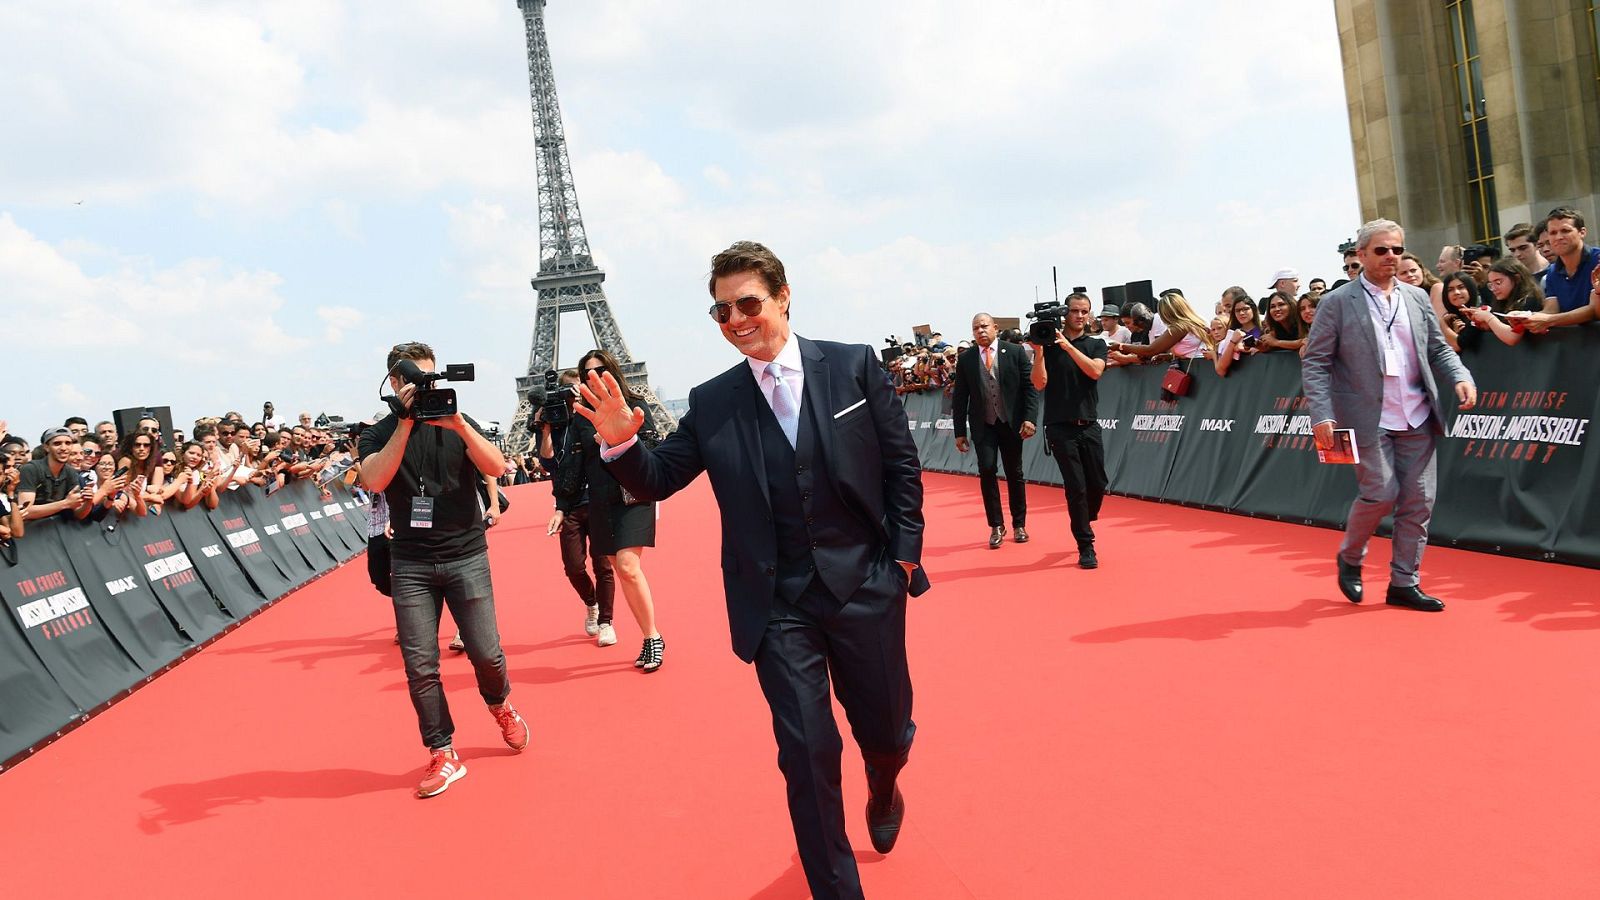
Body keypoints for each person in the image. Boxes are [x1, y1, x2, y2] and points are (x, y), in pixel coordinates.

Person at [577, 241, 925, 900]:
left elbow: (902, 465)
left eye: (747, 304)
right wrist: (622, 442)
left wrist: (903, 559)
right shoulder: (713, 402)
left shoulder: (852, 366)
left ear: (783, 297)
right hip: (777, 604)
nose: (735, 320)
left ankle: (884, 781)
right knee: (807, 754)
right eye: (721, 311)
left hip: (866, 585)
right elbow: (657, 478)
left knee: (886, 731)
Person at [358, 341, 528, 799]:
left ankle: (500, 705)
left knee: (486, 654)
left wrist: (457, 424)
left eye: (431, 378)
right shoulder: (378, 433)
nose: (425, 387)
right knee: (420, 666)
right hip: (410, 561)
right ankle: (442, 750)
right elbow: (374, 479)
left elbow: (497, 466)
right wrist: (405, 422)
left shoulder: (458, 421)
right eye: (415, 379)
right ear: (395, 382)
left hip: (466, 553)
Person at [1302, 219, 1477, 612]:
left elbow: (1438, 349)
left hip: (1417, 413)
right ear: (1361, 254)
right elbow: (1316, 362)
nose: (1391, 257)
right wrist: (1322, 414)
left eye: (1397, 250)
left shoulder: (1416, 297)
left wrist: (1460, 376)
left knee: (1419, 500)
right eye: (1381, 250)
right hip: (1366, 416)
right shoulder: (1337, 302)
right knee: (1381, 493)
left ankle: (1404, 583)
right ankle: (1351, 556)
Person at [565, 349, 663, 669]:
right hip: (600, 499)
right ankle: (648, 635)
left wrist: (619, 439)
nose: (594, 377)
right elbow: (574, 463)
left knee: (627, 566)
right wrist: (561, 505)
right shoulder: (582, 416)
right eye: (587, 374)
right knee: (620, 570)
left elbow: (654, 448)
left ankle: (653, 637)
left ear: (613, 371)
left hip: (633, 493)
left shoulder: (634, 404)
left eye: (601, 370)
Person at [1028, 292, 1109, 569]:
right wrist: (1040, 351)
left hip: (1089, 424)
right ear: (1065, 313)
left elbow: (1095, 371)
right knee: (1076, 488)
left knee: (1097, 483)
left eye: (1084, 311)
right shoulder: (1048, 347)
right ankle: (1086, 546)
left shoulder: (1096, 344)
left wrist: (1068, 347)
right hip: (1059, 427)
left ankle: (1086, 516)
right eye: (1075, 311)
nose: (1080, 316)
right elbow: (1038, 383)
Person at [544, 368, 619, 648]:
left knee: (603, 566)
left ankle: (606, 622)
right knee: (573, 567)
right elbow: (550, 462)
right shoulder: (559, 423)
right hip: (571, 503)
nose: (576, 393)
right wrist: (546, 428)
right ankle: (592, 603)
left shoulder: (595, 416)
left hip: (599, 501)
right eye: (571, 390)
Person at [949, 312, 1038, 549]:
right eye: (976, 328)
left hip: (1010, 423)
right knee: (987, 470)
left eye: (984, 326)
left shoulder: (1015, 352)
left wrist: (1030, 419)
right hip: (983, 424)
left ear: (995, 327)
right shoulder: (966, 359)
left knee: (1014, 472)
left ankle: (1019, 524)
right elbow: (960, 397)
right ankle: (996, 525)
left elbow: (1029, 388)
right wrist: (959, 432)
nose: (980, 331)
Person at [1524, 207, 1600, 333]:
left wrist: (1549, 320)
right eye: (1553, 233)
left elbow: (1594, 310)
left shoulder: (1597, 260)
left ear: (1582, 232)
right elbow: (1551, 309)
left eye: (1565, 231)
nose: (1558, 237)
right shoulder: (1552, 271)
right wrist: (1526, 318)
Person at [1108, 290, 1215, 362]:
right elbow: (1191, 349)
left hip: (1198, 371)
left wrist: (1121, 346)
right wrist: (1169, 356)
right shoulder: (1198, 321)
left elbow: (1151, 349)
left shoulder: (1179, 328)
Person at [16, 428, 91, 522]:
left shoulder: (71, 472)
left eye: (68, 443)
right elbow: (25, 512)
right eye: (57, 443)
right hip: (31, 527)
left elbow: (78, 515)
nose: (63, 448)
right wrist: (65, 503)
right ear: (46, 447)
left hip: (59, 528)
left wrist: (88, 502)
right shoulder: (31, 469)